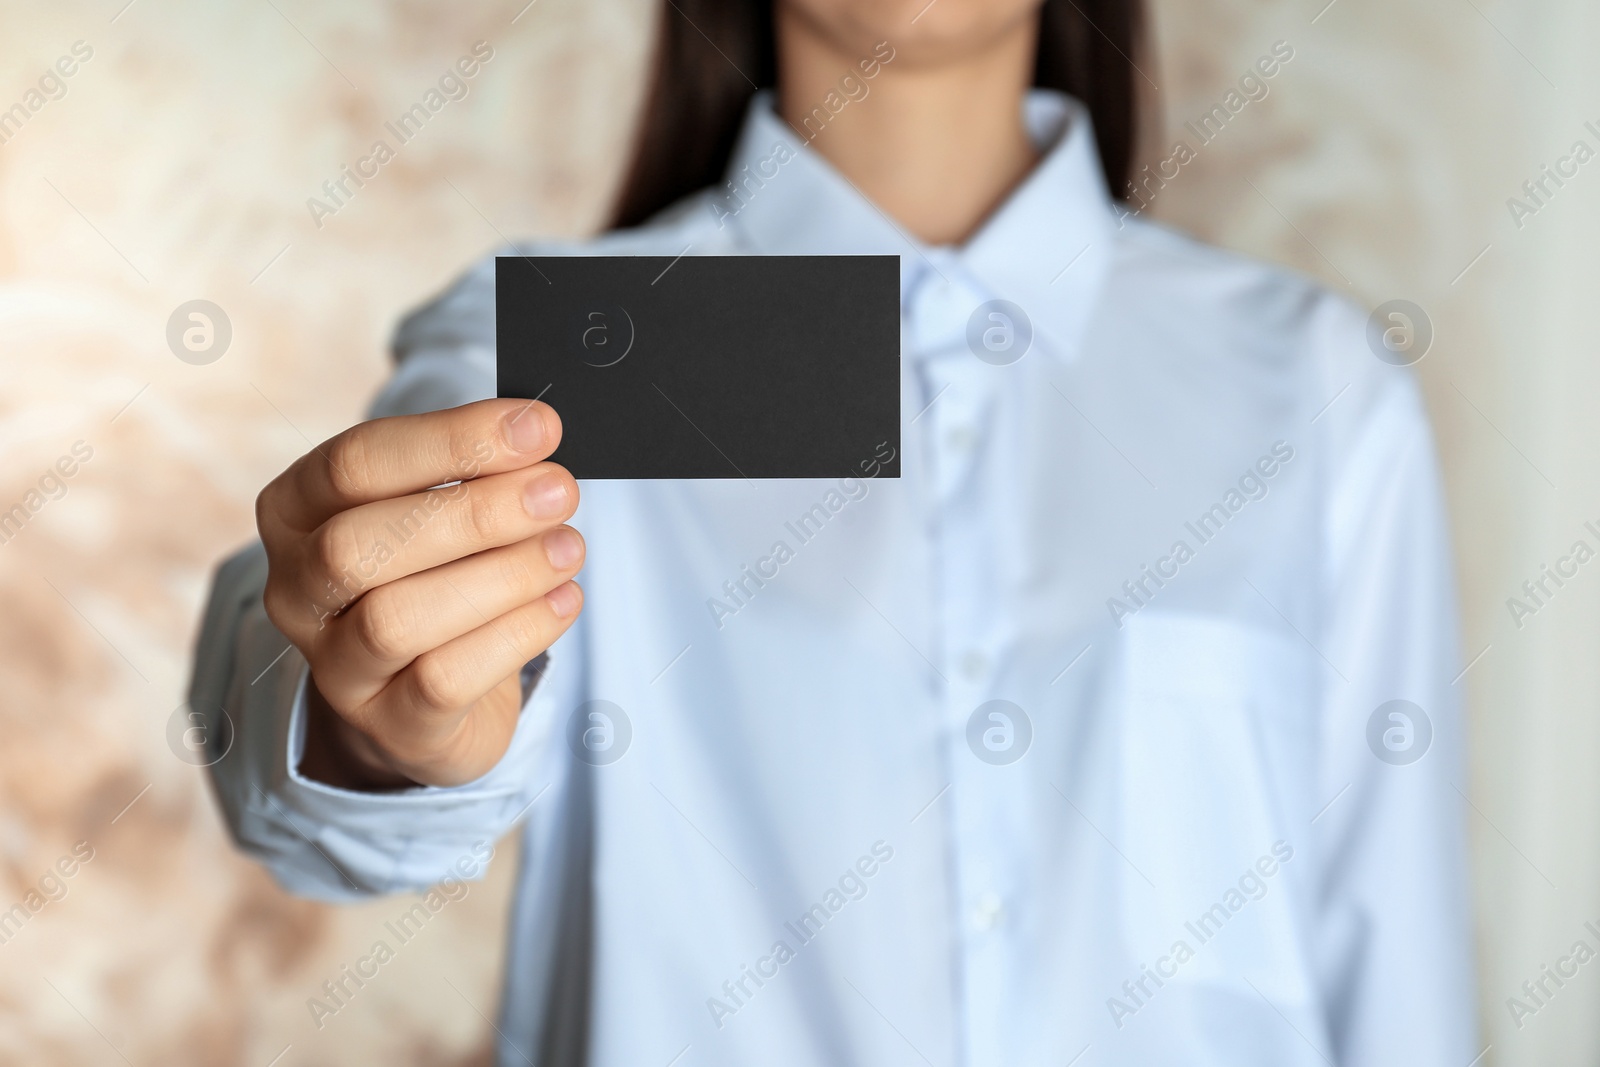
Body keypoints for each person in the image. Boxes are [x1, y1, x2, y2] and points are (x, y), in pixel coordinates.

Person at [190, 0, 1477, 1063]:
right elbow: (299, 734)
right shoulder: (606, 344)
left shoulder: (1301, 385)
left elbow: (1395, 966)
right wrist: (375, 712)